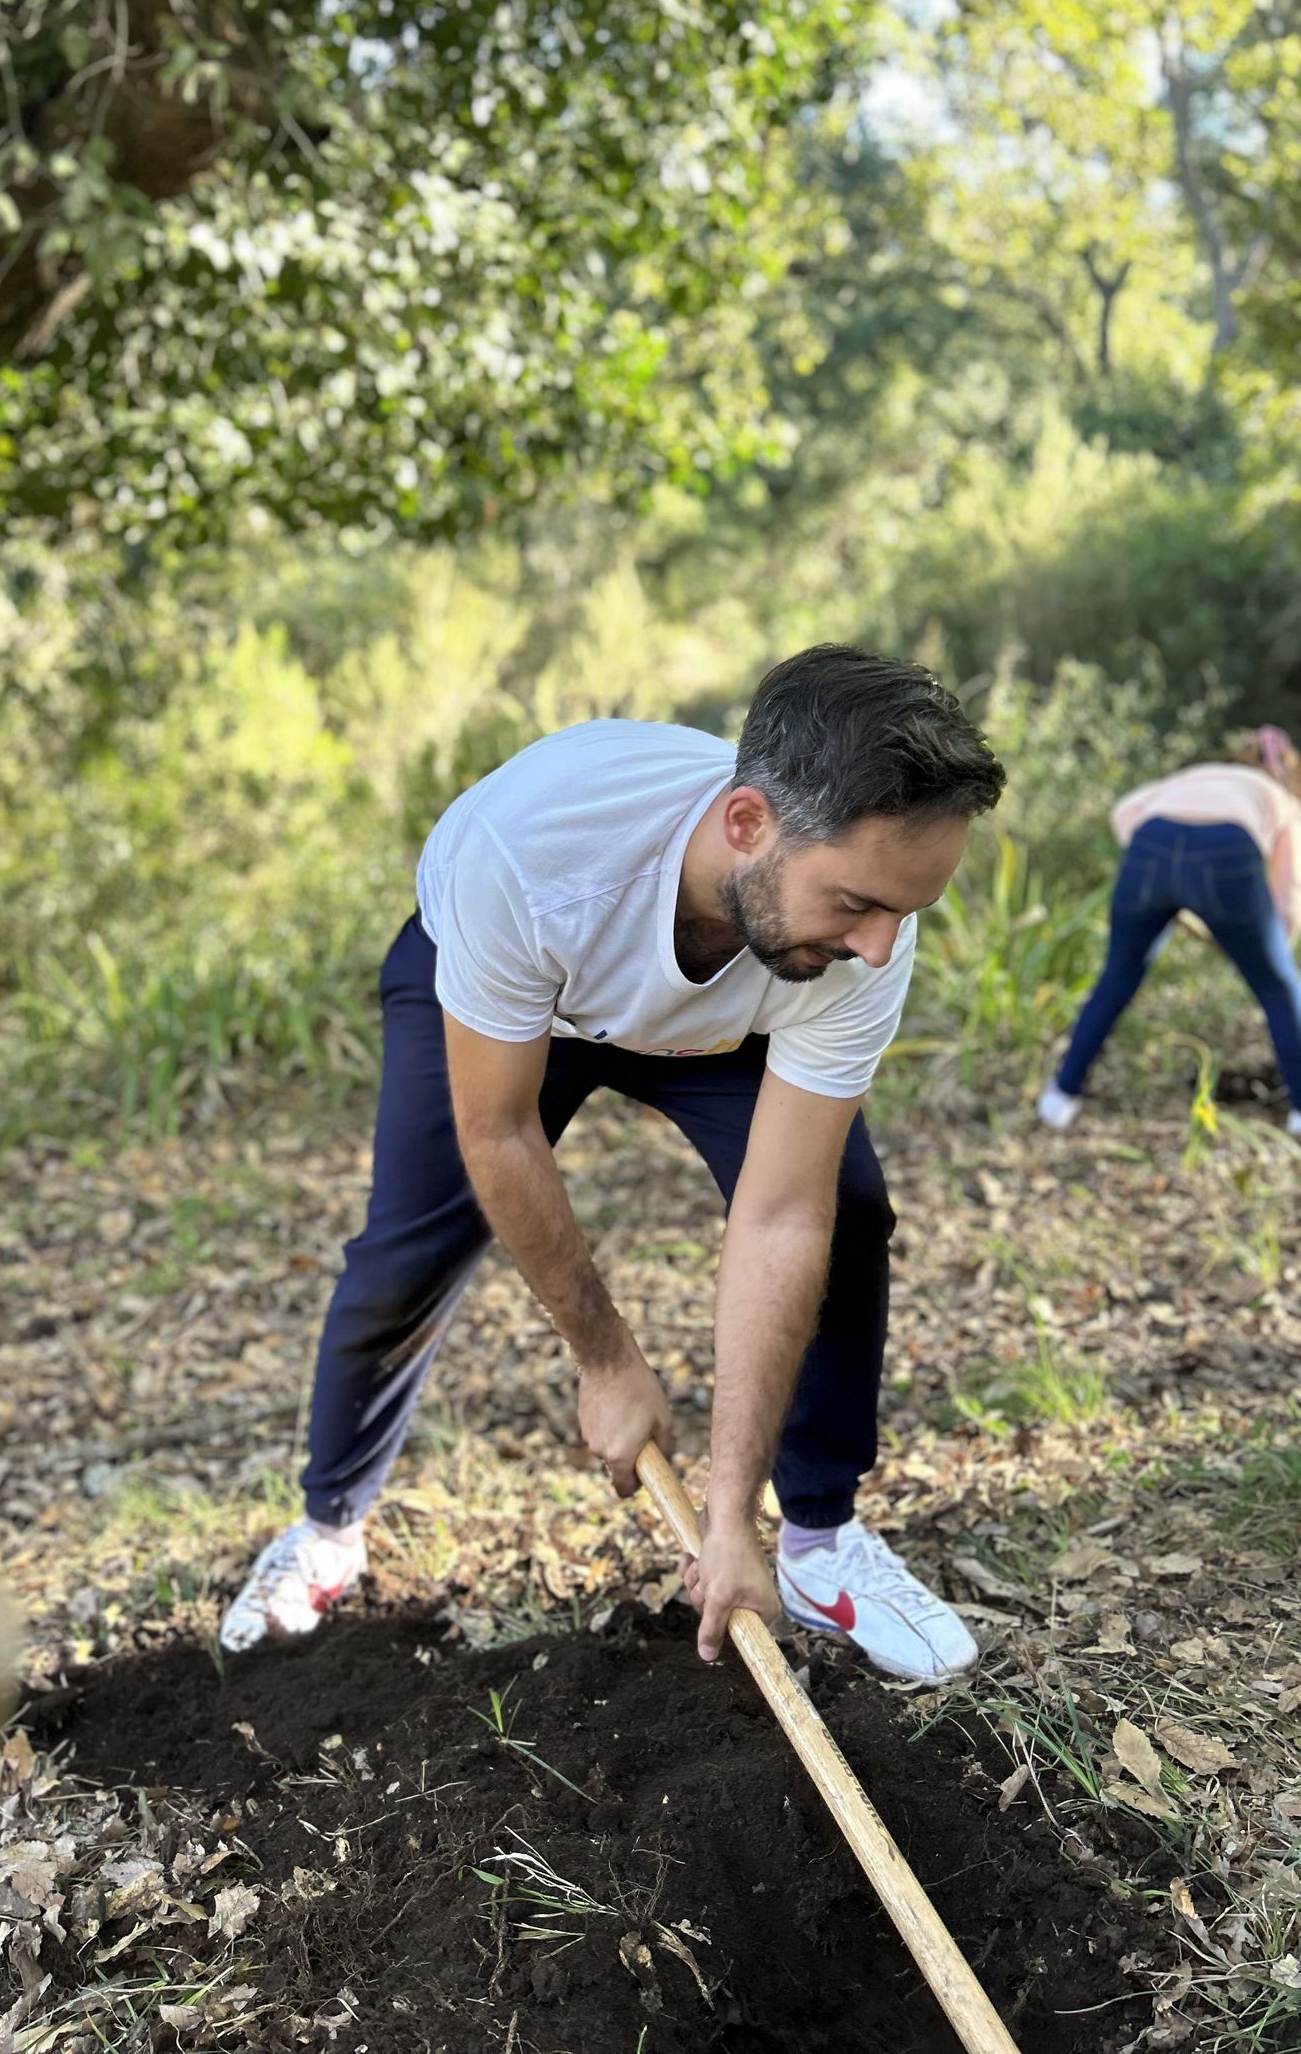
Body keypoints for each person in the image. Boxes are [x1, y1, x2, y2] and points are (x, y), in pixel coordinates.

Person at [223, 645, 1006, 1679]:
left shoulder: (856, 939)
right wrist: (604, 1358)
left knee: (848, 1208)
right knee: (408, 1246)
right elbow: (500, 1132)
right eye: (857, 903)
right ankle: (326, 1525)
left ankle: (820, 1542)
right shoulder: (532, 854)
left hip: (728, 1005)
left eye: (904, 913)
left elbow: (780, 1214)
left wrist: (727, 1517)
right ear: (747, 826)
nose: (878, 946)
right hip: (521, 981)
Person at [1039, 728, 1301, 1138]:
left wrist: (1167, 875)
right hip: (1227, 849)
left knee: (1117, 977)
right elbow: (1288, 891)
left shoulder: (1195, 775)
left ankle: (1060, 1097)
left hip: (1149, 846)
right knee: (1279, 989)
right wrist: (1272, 949)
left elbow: (1124, 809)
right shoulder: (1281, 797)